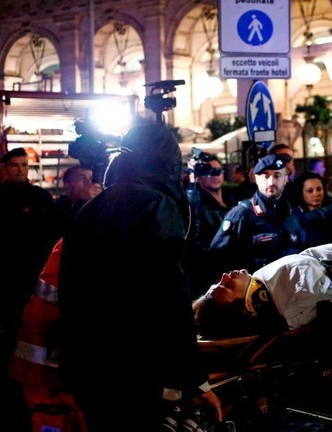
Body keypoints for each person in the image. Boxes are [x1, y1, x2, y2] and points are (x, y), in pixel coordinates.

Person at [57, 122, 222, 431]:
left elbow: (70, 293)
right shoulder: (156, 204)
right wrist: (196, 381)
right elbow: (169, 298)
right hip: (140, 372)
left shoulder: (91, 208)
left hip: (92, 369)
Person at [0, 146, 55, 369]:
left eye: (24, 165)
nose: (20, 170)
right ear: (4, 167)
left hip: (26, 276)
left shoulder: (39, 198)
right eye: (15, 165)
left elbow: (48, 236)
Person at [192, 242, 332, 339]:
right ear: (251, 306)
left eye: (219, 282)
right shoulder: (298, 301)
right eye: (227, 286)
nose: (225, 276)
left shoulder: (264, 281)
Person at [209, 153, 300, 273]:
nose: (271, 182)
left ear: (286, 179)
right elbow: (217, 258)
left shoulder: (292, 213)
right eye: (265, 176)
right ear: (256, 178)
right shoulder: (241, 214)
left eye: (277, 175)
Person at [186, 151, 234, 297]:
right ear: (199, 176)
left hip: (234, 269)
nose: (213, 175)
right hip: (210, 275)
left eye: (217, 171)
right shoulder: (196, 202)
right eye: (207, 171)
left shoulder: (232, 199)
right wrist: (192, 182)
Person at [42, 164, 99, 247]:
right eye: (82, 178)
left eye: (90, 178)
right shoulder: (54, 210)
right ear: (67, 185)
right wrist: (83, 202)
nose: (88, 183)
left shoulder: (96, 207)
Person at [291, 170, 332, 248]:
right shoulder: (298, 219)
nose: (316, 194)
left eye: (319, 189)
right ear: (301, 193)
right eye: (310, 191)